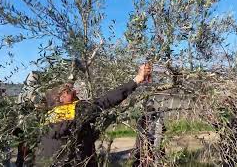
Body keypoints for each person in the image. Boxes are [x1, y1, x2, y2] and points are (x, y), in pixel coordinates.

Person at [17, 63, 152, 166]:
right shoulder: (76, 110)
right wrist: (137, 79)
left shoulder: (47, 116)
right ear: (61, 98)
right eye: (69, 91)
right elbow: (107, 100)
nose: (75, 91)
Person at [132, 99, 166, 167]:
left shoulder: (156, 116)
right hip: (144, 141)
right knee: (140, 156)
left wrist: (160, 119)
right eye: (148, 107)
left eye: (151, 106)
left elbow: (163, 129)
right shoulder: (142, 116)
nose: (150, 108)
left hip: (154, 141)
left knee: (156, 156)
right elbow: (139, 127)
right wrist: (144, 133)